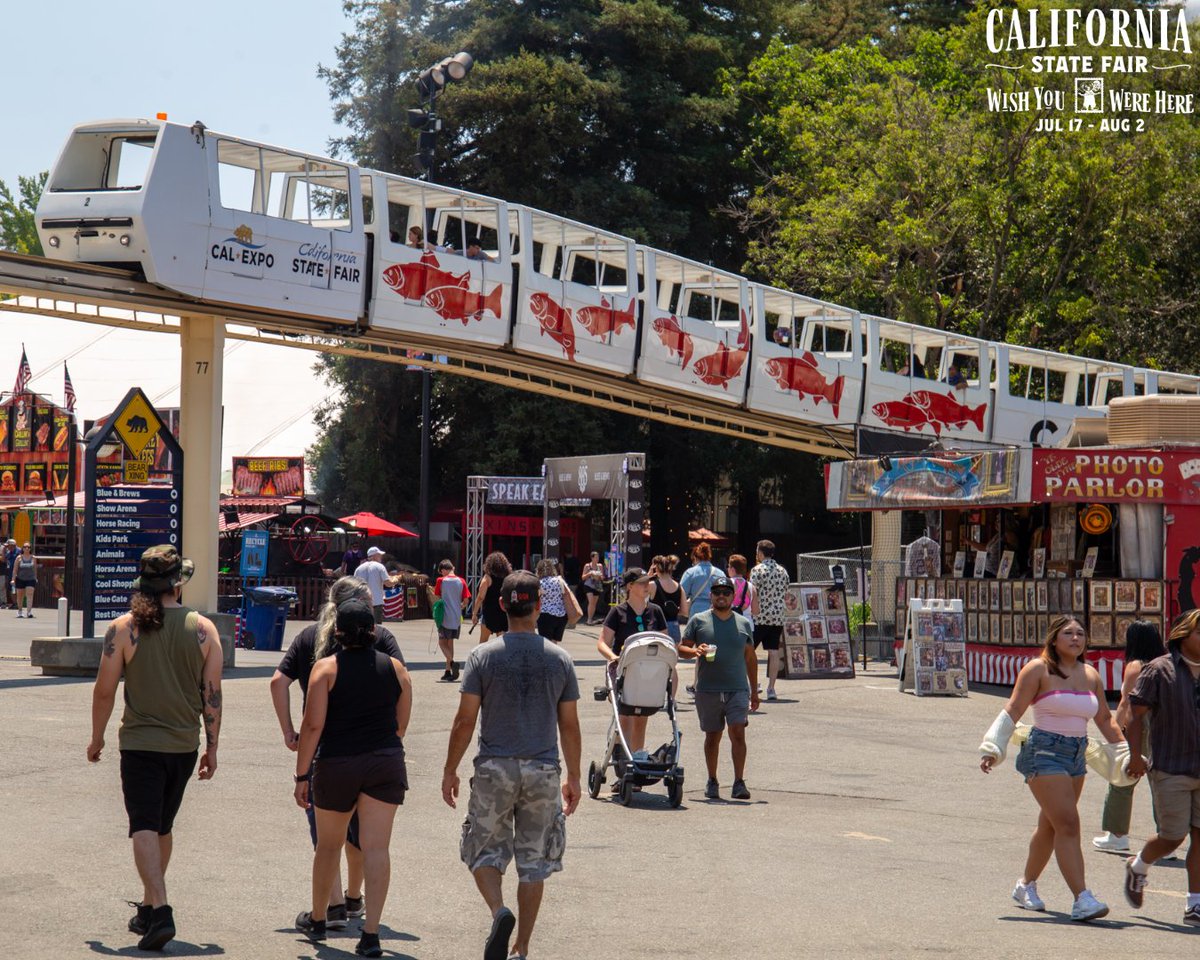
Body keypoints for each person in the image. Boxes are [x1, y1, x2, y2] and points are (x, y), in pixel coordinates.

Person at [86, 545, 222, 951]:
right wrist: (212, 748)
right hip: (183, 744)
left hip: (141, 744)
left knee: (143, 824)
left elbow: (104, 691)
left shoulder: (123, 629)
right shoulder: (204, 630)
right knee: (161, 826)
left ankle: (160, 910)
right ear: (177, 584)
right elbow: (211, 694)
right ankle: (147, 908)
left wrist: (97, 737)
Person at [442, 570, 582, 960]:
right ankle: (522, 946)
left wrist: (450, 769)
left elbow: (465, 720)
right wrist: (573, 774)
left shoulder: (481, 657)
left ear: (501, 606)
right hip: (543, 769)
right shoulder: (560, 660)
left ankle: (498, 911)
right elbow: (568, 724)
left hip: (494, 767)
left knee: (483, 851)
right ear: (539, 607)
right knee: (534, 863)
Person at [270, 576, 406, 930]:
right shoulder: (393, 662)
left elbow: (309, 721)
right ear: (372, 628)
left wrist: (299, 765)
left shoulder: (321, 660)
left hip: (334, 759)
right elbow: (401, 717)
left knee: (327, 843)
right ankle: (367, 923)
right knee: (373, 846)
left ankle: (324, 914)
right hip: (383, 759)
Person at [979, 616, 1123, 922]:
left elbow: (1105, 721)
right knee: (1069, 824)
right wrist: (993, 747)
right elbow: (1014, 709)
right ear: (1054, 639)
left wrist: (1126, 755)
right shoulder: (1038, 669)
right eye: (1068, 633)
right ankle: (1082, 899)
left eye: (1080, 633)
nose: (1075, 638)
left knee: (1051, 826)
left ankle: (1025, 885)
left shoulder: (1090, 674)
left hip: (1076, 754)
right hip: (1043, 752)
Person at [1121, 608, 1200, 926]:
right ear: (1182, 634)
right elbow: (1134, 714)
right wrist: (1136, 755)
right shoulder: (1159, 670)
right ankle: (1138, 865)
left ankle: (1195, 903)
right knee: (1173, 836)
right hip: (1171, 766)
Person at [678, 575, 758, 801]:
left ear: (733, 596)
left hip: (737, 688)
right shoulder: (699, 620)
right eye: (717, 592)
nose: (721, 596)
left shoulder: (743, 623)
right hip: (708, 689)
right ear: (711, 596)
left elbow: (750, 659)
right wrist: (695, 652)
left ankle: (739, 782)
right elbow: (681, 649)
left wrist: (754, 691)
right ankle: (712, 779)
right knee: (713, 737)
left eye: (726, 592)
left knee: (738, 732)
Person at [1092, 620, 1166, 853]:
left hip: (1140, 725)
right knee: (1161, 782)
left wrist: (1118, 729)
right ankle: (1167, 837)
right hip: (1164, 725)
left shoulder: (1136, 665)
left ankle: (1117, 835)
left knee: (1123, 777)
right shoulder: (1166, 663)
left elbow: (1127, 702)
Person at [597, 568, 669, 755]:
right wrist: (613, 657)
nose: (647, 586)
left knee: (641, 717)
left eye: (648, 582)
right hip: (623, 670)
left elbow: (665, 642)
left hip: (648, 672)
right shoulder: (617, 612)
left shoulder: (656, 611)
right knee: (625, 716)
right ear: (630, 586)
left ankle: (637, 758)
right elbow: (602, 643)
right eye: (642, 582)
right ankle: (622, 759)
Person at [749, 540, 791, 701]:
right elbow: (786, 591)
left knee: (749, 650)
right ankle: (771, 688)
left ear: (760, 552)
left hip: (759, 616)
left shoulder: (757, 570)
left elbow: (752, 592)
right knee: (773, 651)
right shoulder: (782, 571)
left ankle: (753, 684)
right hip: (777, 616)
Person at [431, 559, 471, 681]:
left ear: (444, 570)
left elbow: (437, 597)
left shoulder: (441, 581)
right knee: (450, 643)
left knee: (442, 643)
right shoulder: (462, 581)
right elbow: (466, 601)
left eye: (441, 571)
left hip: (444, 617)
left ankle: (453, 663)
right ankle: (448, 671)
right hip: (456, 617)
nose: (441, 574)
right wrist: (459, 606)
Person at [535, 558, 580, 643]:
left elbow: (536, 598)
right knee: (554, 642)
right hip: (561, 615)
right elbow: (567, 594)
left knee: (546, 642)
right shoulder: (559, 580)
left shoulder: (539, 583)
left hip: (545, 615)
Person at [472, 551, 512, 642]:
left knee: (483, 643)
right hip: (503, 613)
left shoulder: (487, 578)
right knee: (501, 644)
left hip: (489, 614)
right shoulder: (508, 577)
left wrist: (474, 613)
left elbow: (480, 597)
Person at [354, 546, 400, 625]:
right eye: (379, 555)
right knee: (376, 628)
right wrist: (396, 579)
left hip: (361, 603)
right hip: (376, 603)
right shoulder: (380, 567)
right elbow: (388, 583)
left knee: (362, 626)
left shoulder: (359, 568)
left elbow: (354, 585)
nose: (381, 557)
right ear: (375, 555)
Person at [648, 554, 687, 643]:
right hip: (674, 625)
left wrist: (648, 576)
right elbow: (685, 612)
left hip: (657, 625)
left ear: (656, 569)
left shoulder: (652, 585)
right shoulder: (679, 587)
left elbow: (637, 590)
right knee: (672, 655)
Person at [680, 542, 721, 618]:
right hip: (716, 609)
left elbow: (681, 594)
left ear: (695, 558)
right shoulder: (720, 573)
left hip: (696, 611)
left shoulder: (690, 572)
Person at [727, 554, 755, 630]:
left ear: (732, 569)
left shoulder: (727, 584)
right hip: (748, 625)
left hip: (731, 624)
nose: (728, 569)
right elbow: (756, 610)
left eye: (728, 566)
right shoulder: (751, 586)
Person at [11, 542, 37, 618]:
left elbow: (35, 569)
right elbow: (15, 569)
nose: (26, 548)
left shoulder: (33, 558)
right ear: (22, 548)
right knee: (20, 596)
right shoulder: (19, 558)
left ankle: (29, 612)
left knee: (30, 594)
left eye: (28, 547)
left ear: (30, 549)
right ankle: (20, 611)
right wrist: (13, 579)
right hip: (20, 578)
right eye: (25, 547)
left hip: (30, 579)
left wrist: (35, 577)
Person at [581, 551, 605, 625]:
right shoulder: (587, 566)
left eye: (598, 557)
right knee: (591, 602)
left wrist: (599, 576)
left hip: (597, 586)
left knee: (594, 603)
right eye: (596, 557)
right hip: (588, 585)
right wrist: (590, 573)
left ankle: (590, 618)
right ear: (592, 558)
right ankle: (588, 619)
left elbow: (603, 577)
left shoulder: (600, 566)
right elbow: (583, 577)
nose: (597, 558)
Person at [1, 538, 16, 608]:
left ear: (12, 545)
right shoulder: (8, 552)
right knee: (11, 589)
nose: (7, 547)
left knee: (14, 589)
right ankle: (14, 603)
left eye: (8, 546)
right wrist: (4, 550)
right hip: (10, 573)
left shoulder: (18, 551)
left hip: (16, 574)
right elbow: (4, 560)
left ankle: (16, 603)